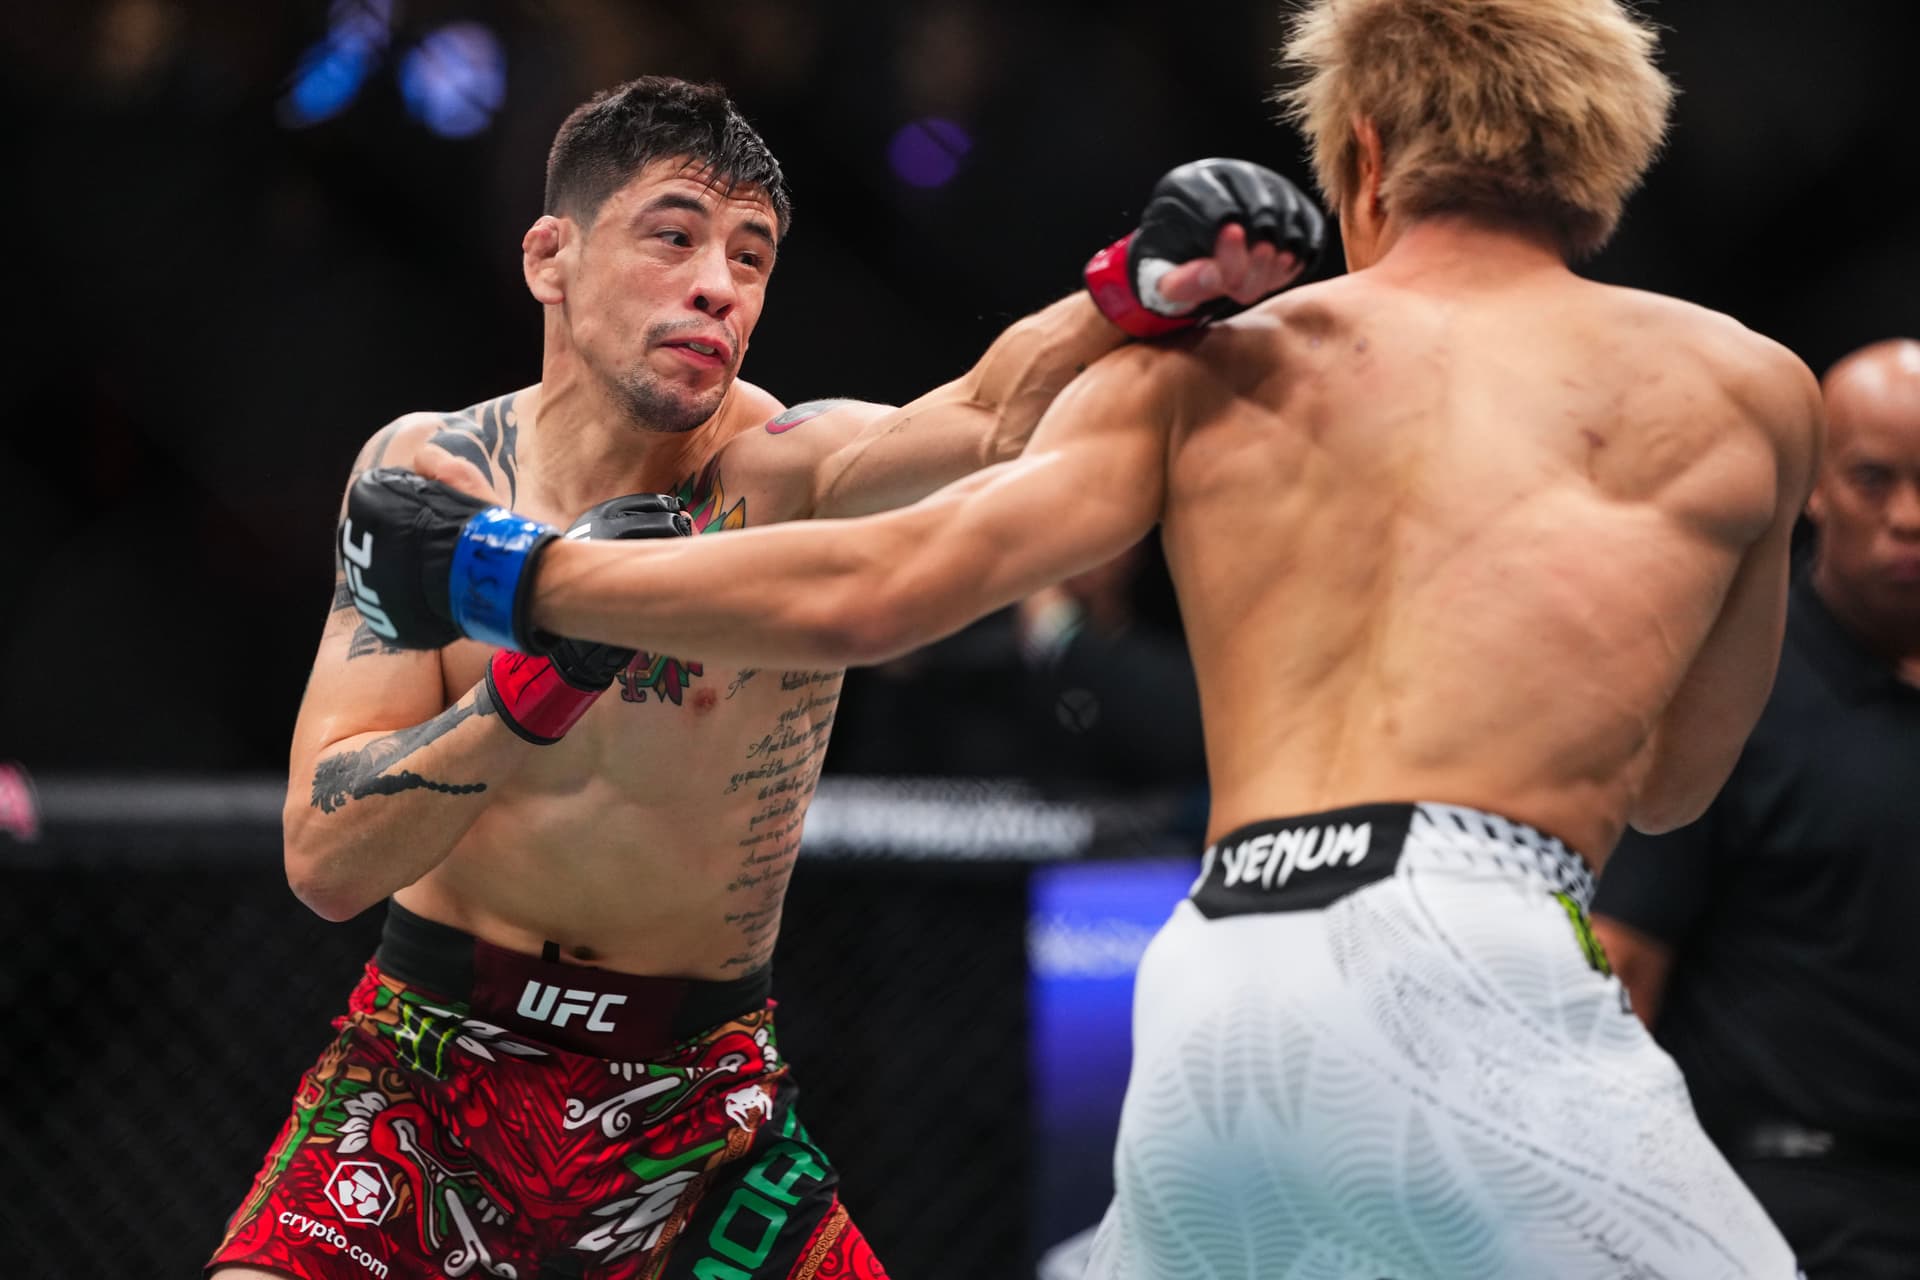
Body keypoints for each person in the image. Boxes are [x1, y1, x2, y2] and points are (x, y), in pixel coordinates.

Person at [341, 2, 1833, 1276]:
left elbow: (886, 581)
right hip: (1479, 938)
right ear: (1606, 158)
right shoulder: (1747, 387)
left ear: (1363, 152)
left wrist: (512, 575)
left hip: (1221, 969)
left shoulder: (1213, 363)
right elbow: (1677, 785)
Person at [210, 74, 1317, 1280]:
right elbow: (324, 861)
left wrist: (1135, 288)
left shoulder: (787, 472)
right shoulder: (436, 478)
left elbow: (995, 417)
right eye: (674, 235)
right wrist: (533, 692)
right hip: (426, 1075)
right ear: (551, 258)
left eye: (752, 257)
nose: (717, 286)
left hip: (693, 1106)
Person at [1592, 338, 1920, 1278]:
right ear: (1814, 486)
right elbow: (1623, 966)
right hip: (1786, 1203)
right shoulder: (1733, 690)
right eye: (1872, 480)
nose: (1909, 518)